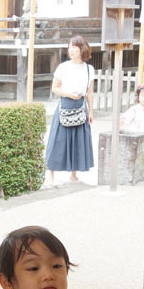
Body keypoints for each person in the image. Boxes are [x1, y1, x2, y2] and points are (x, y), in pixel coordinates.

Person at [46, 35, 95, 184]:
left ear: (82, 49)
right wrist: (69, 94)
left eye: (74, 47)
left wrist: (91, 111)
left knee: (77, 142)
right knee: (57, 141)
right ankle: (50, 175)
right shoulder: (63, 67)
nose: (71, 50)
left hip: (80, 107)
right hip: (65, 106)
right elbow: (55, 88)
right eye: (70, 47)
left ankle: (73, 174)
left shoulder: (89, 69)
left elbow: (90, 92)